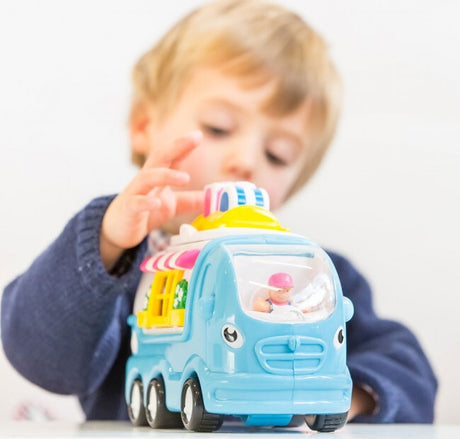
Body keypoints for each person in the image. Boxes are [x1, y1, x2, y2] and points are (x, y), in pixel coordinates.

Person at [1, 0, 437, 425]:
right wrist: (108, 242)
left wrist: (345, 397)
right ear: (143, 126)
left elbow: (409, 371)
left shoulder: (310, 277)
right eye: (218, 128)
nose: (246, 160)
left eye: (278, 154)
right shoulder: (129, 267)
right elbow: (39, 356)